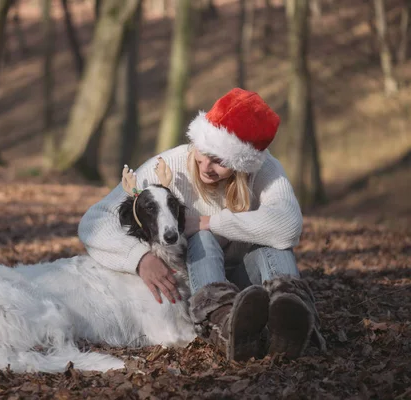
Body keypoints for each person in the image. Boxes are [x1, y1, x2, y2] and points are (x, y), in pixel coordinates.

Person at [78, 88, 326, 361]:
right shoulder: (169, 164)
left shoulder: (265, 169)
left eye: (219, 160)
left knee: (272, 243)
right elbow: (94, 221)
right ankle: (222, 324)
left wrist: (210, 222)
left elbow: (289, 226)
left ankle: (292, 320)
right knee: (201, 238)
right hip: (202, 278)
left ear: (242, 162)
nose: (206, 166)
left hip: (251, 279)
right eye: (203, 152)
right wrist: (139, 258)